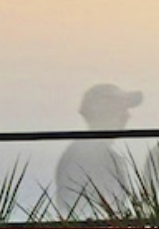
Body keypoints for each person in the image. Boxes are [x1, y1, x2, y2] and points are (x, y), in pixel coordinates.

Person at [54, 84, 142, 218]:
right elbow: (106, 210)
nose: (127, 116)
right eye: (121, 109)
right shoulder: (93, 156)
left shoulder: (81, 151)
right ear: (105, 113)